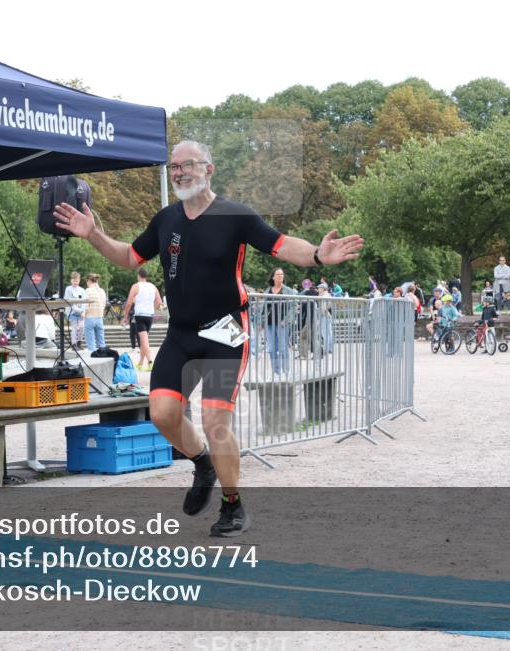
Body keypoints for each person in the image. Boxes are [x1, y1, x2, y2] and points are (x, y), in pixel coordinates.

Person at [53, 140, 363, 536]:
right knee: (162, 414)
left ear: (209, 169)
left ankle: (233, 506)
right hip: (182, 334)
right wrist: (93, 234)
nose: (179, 172)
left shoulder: (236, 215)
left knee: (215, 419)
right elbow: (130, 258)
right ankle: (202, 463)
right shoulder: (165, 219)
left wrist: (319, 255)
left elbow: (285, 247)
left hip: (225, 334)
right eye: (173, 167)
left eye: (186, 165)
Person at [123, 267, 163, 371]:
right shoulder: (153, 287)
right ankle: (140, 364)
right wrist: (152, 308)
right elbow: (159, 303)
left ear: (138, 276)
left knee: (144, 340)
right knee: (144, 339)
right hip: (149, 315)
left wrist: (125, 317)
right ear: (146, 276)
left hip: (140, 315)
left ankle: (150, 362)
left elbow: (128, 303)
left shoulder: (136, 286)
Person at [264, 268, 297, 374]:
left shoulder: (288, 291)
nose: (280, 276)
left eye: (282, 274)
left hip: (282, 324)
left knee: (283, 348)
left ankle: (286, 372)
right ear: (273, 277)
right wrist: (260, 321)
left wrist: (286, 319)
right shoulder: (267, 291)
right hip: (269, 323)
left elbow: (294, 306)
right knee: (272, 349)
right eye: (278, 274)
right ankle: (276, 372)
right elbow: (262, 308)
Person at [83, 273, 107, 352]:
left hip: (90, 317)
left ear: (88, 281)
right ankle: (103, 355)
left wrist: (83, 313)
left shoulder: (88, 290)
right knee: (101, 342)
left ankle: (92, 357)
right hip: (99, 317)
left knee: (91, 343)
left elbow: (86, 304)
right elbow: (104, 304)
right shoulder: (102, 291)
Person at [63, 271, 87, 349]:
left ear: (79, 280)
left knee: (81, 327)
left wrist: (83, 311)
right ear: (71, 280)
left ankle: (79, 342)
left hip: (80, 312)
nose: (75, 282)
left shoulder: (82, 290)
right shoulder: (68, 289)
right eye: (74, 281)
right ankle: (73, 344)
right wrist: (79, 310)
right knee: (74, 327)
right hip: (72, 312)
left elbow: (84, 302)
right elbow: (70, 303)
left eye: (77, 281)